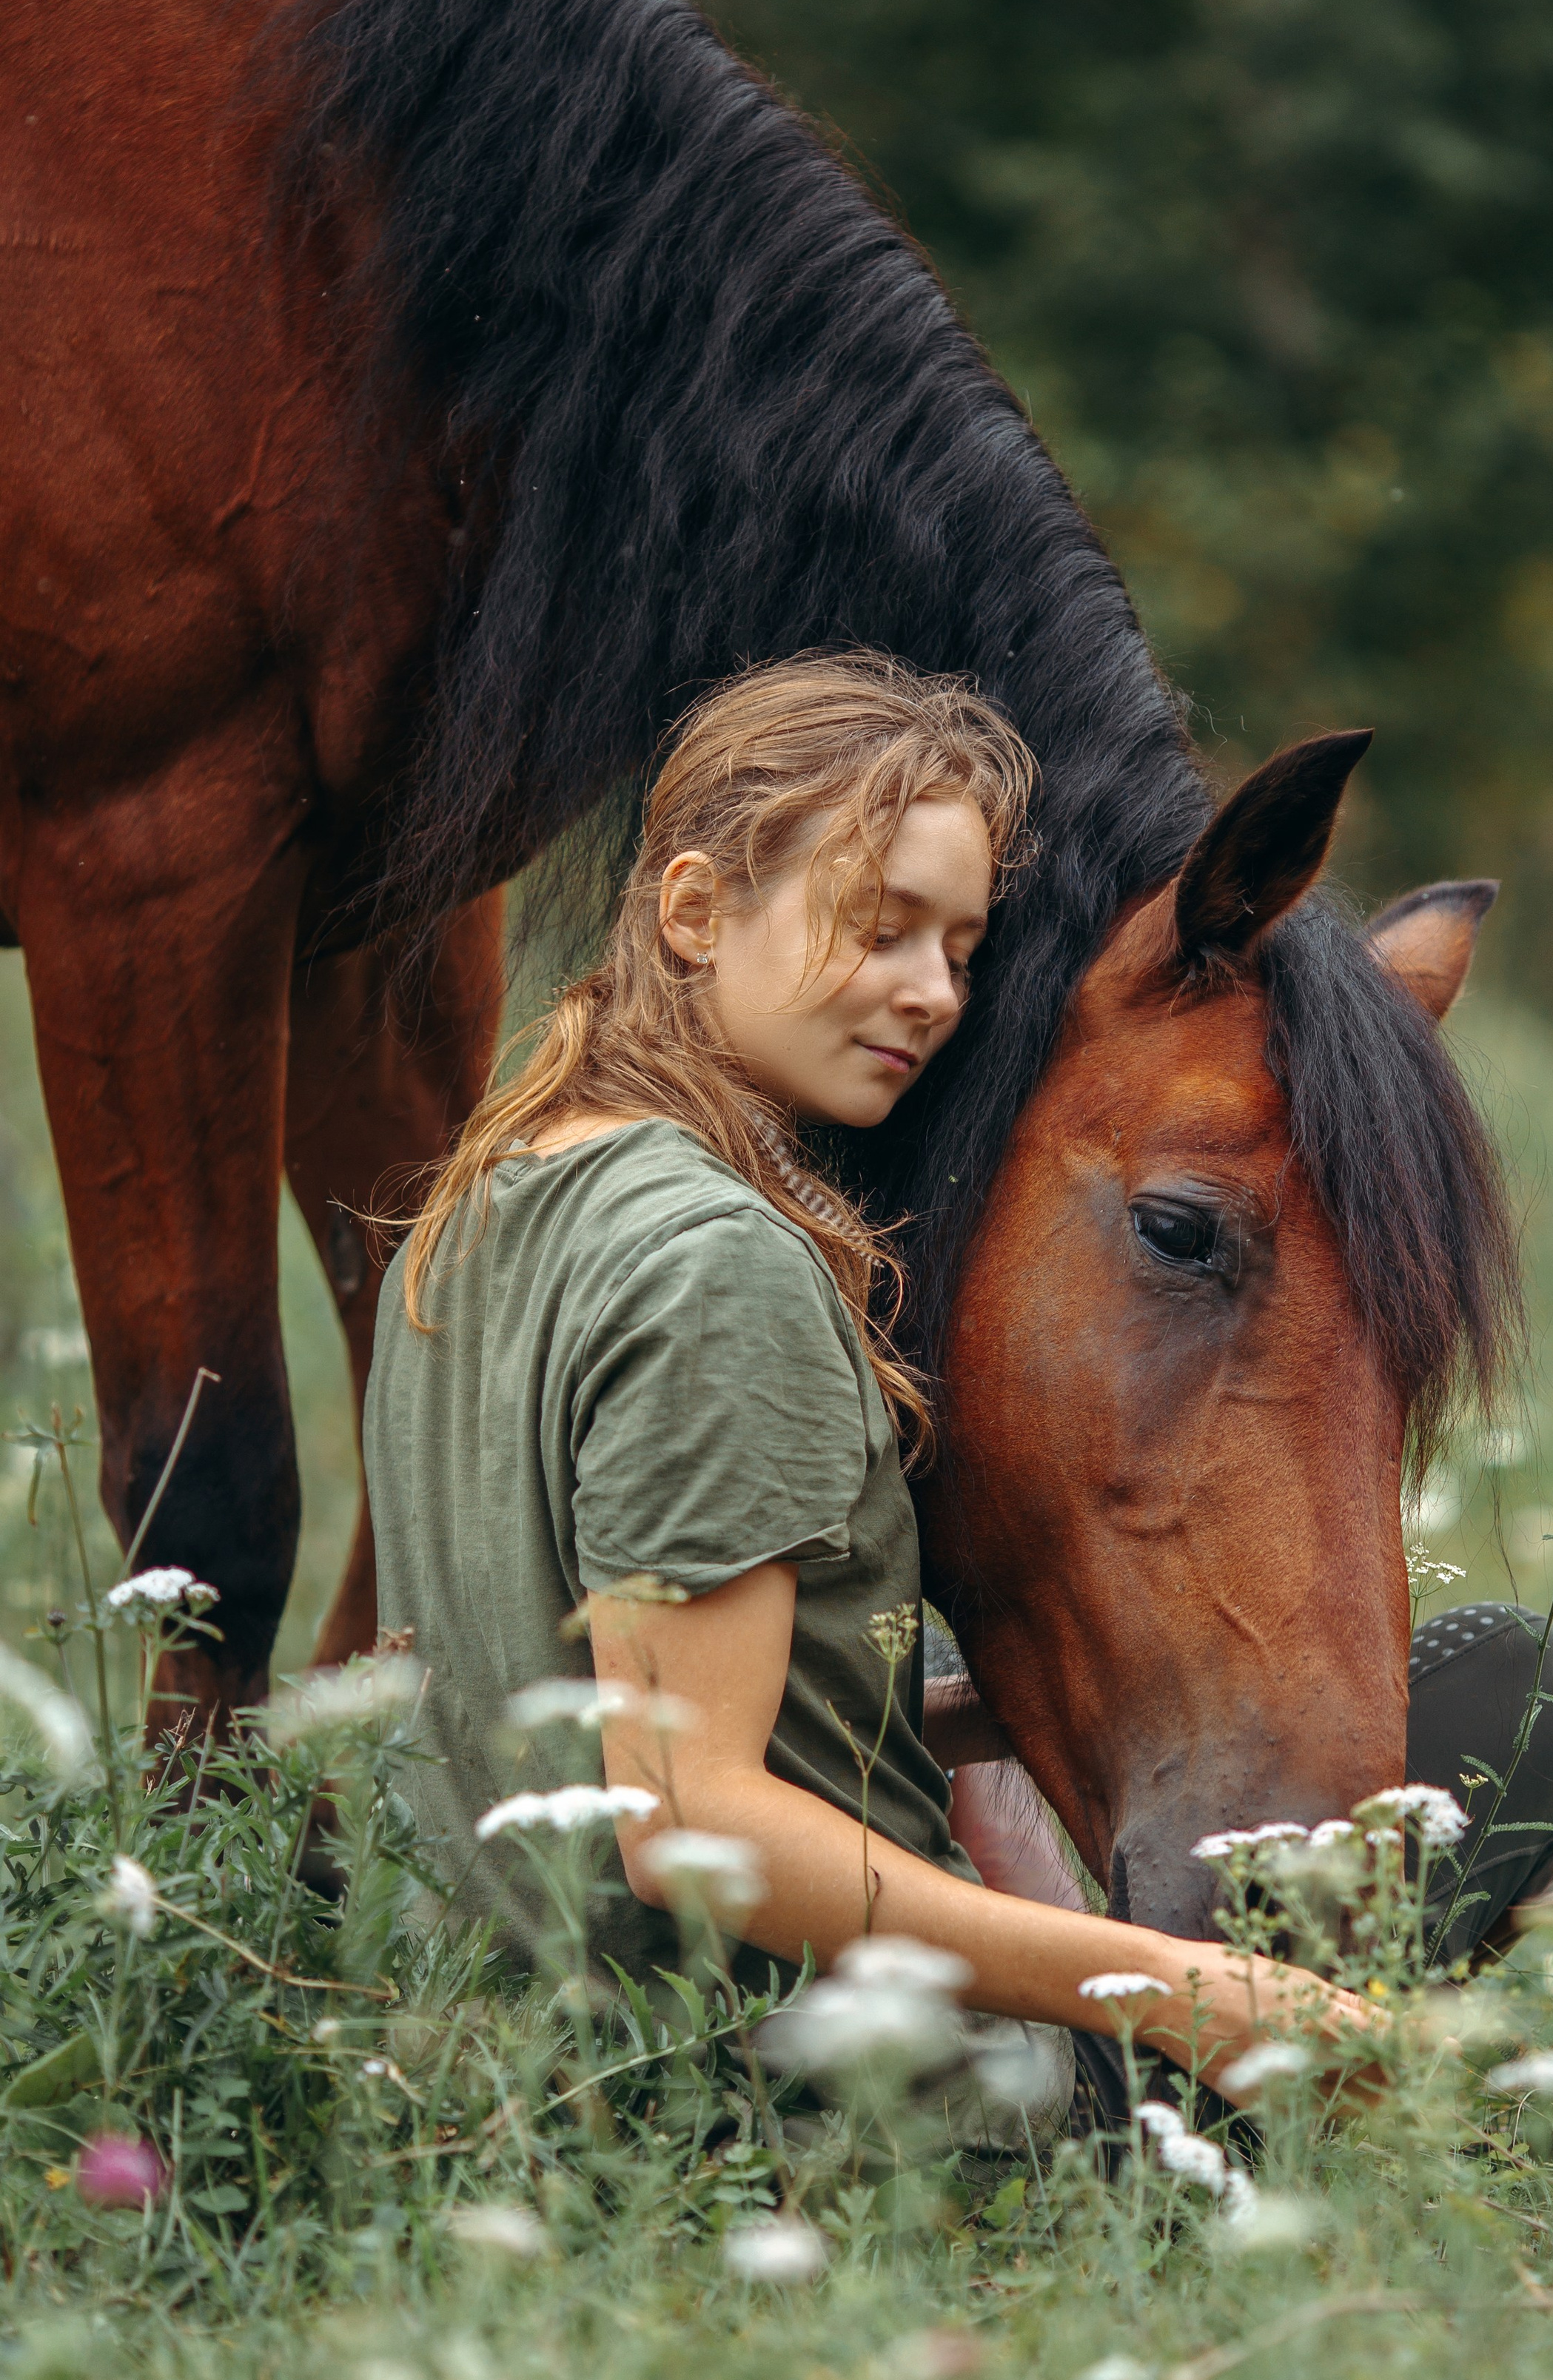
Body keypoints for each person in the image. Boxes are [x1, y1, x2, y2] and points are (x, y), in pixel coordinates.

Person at [364, 651, 1389, 2105]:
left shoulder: (478, 1212)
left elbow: (585, 1705)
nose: (928, 996)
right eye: (878, 927)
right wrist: (1174, 1991)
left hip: (528, 2084)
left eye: (960, 950)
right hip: (823, 2116)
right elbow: (687, 1820)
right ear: (694, 911)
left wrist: (1003, 1700)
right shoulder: (722, 1264)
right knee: (1517, 1703)